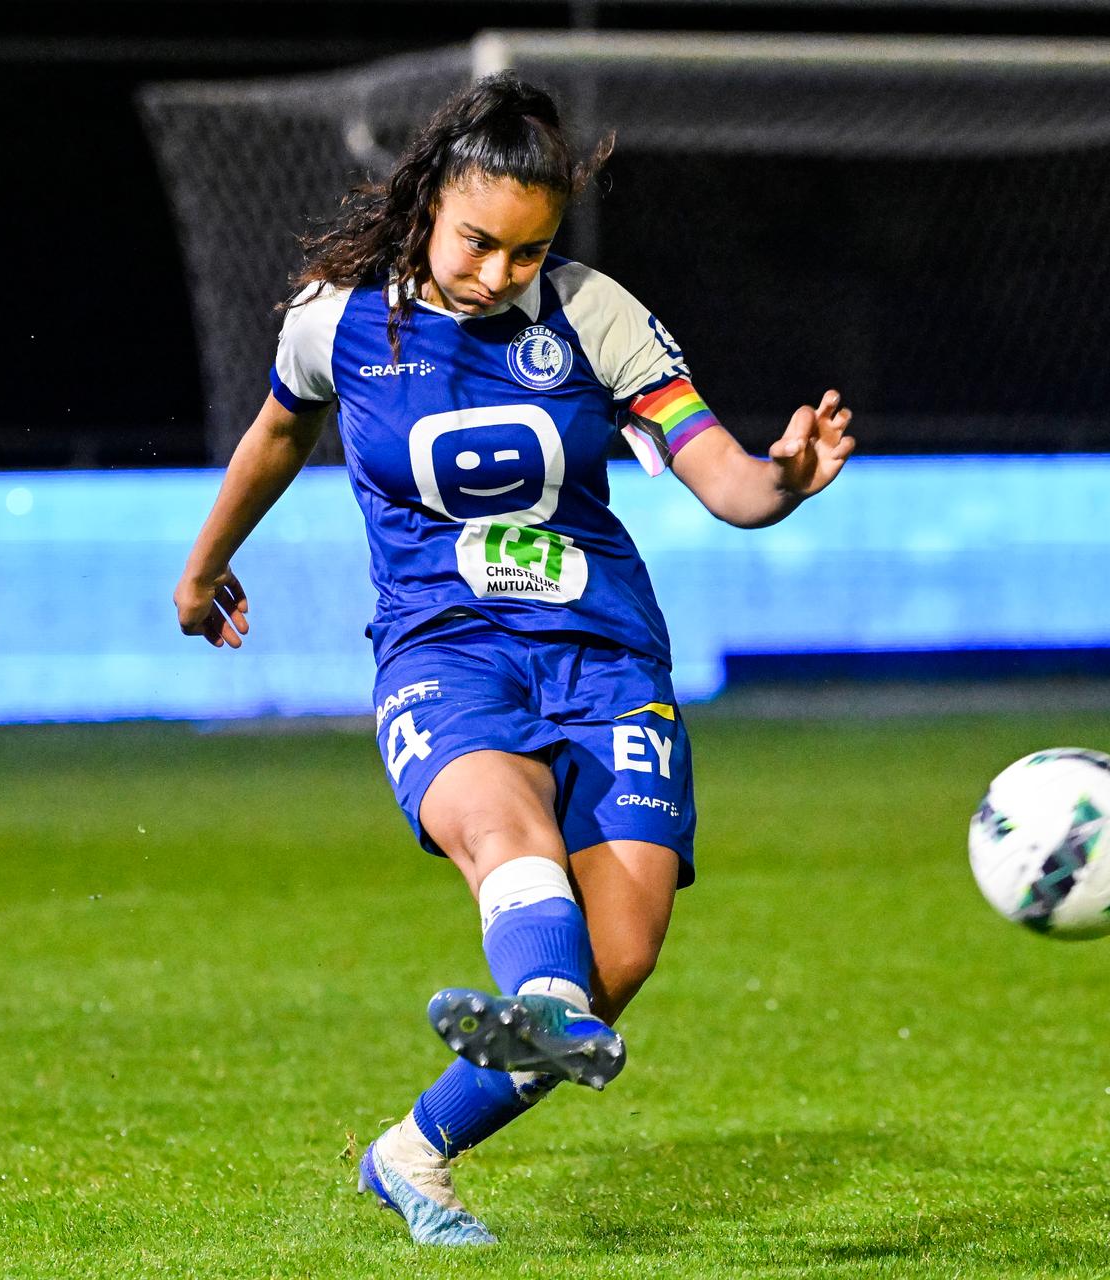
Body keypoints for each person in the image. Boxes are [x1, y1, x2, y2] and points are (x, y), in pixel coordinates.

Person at [174, 72, 854, 1248]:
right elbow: (278, 434)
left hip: (605, 656)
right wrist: (203, 568)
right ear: (432, 199)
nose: (497, 274)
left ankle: (412, 1149)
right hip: (444, 647)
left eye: (525, 254)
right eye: (479, 242)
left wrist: (785, 477)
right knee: (507, 833)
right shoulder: (337, 320)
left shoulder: (593, 313)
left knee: (619, 959)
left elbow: (728, 482)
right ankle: (537, 1000)